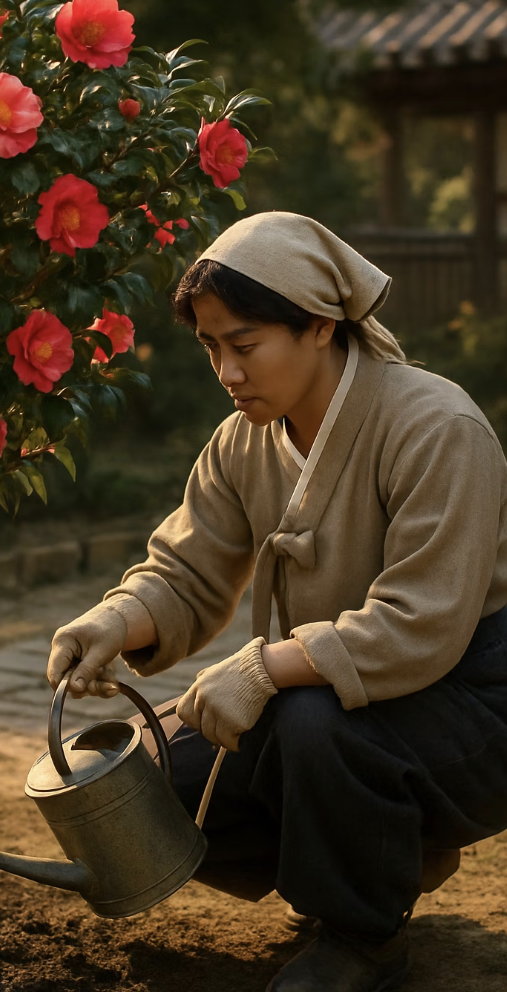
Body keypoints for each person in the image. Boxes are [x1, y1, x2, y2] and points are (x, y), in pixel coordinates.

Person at [46, 211, 507, 992]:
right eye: (211, 347)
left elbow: (421, 622)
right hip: (330, 686)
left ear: (322, 325)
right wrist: (115, 620)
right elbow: (186, 570)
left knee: (309, 721)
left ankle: (362, 935)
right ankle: (383, 849)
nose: (227, 371)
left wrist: (261, 669)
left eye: (245, 344)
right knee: (134, 781)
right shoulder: (240, 443)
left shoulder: (437, 426)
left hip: (472, 700)